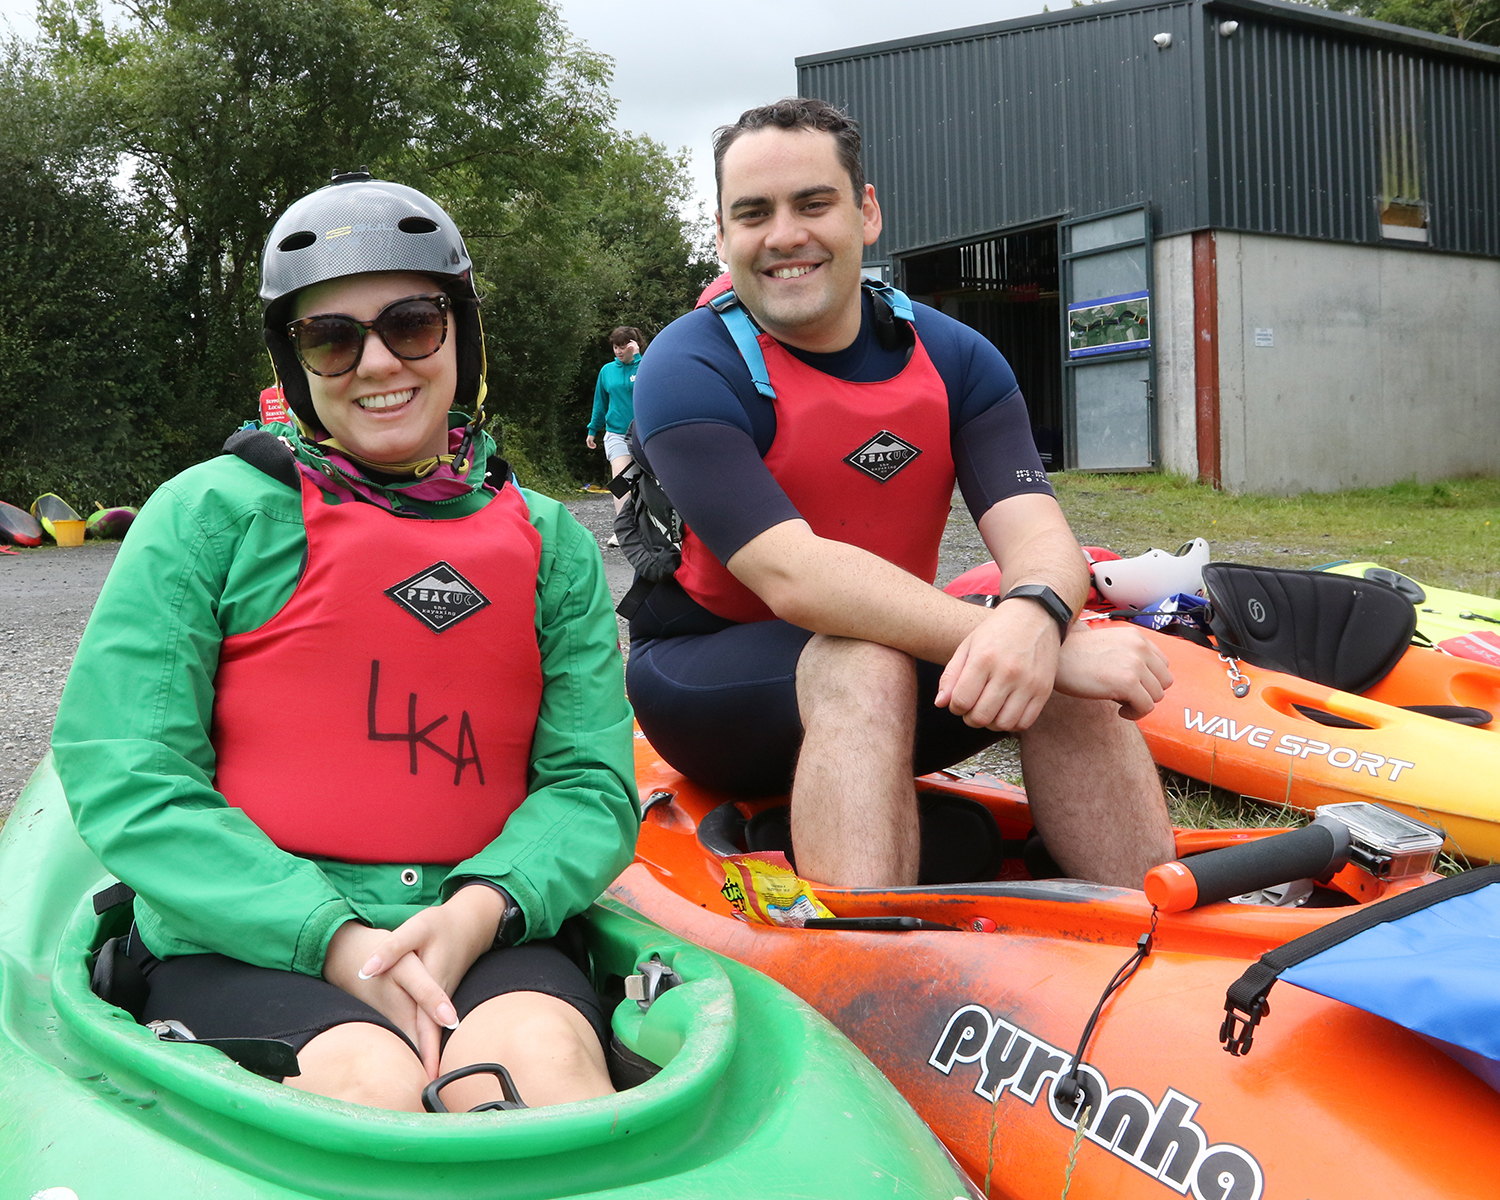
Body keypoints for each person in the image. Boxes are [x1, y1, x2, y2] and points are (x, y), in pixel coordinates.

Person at [51, 173, 639, 1114]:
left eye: (412, 324)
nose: (376, 363)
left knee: (544, 1067)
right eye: (332, 337)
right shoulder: (208, 514)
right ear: (297, 365)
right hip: (245, 938)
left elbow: (590, 785)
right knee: (372, 1088)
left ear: (459, 335)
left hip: (481, 927)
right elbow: (129, 769)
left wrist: (474, 913)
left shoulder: (550, 542)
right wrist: (334, 940)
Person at [625, 99, 1176, 890]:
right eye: (753, 214)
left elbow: (1040, 539)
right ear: (721, 235)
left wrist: (1039, 620)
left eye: (813, 203)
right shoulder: (689, 367)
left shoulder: (957, 358)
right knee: (882, 662)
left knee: (1049, 635)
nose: (784, 235)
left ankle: (1150, 916)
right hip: (709, 687)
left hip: (891, 663)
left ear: (867, 212)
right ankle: (865, 946)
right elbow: (795, 577)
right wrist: (1038, 646)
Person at [585, 326, 644, 545]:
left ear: (633, 346)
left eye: (623, 347)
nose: (618, 351)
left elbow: (651, 385)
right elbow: (600, 403)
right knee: (620, 480)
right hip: (617, 434)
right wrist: (593, 429)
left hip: (644, 433)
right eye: (615, 347)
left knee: (652, 482)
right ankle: (623, 531)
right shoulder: (607, 371)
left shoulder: (645, 366)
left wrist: (637, 358)